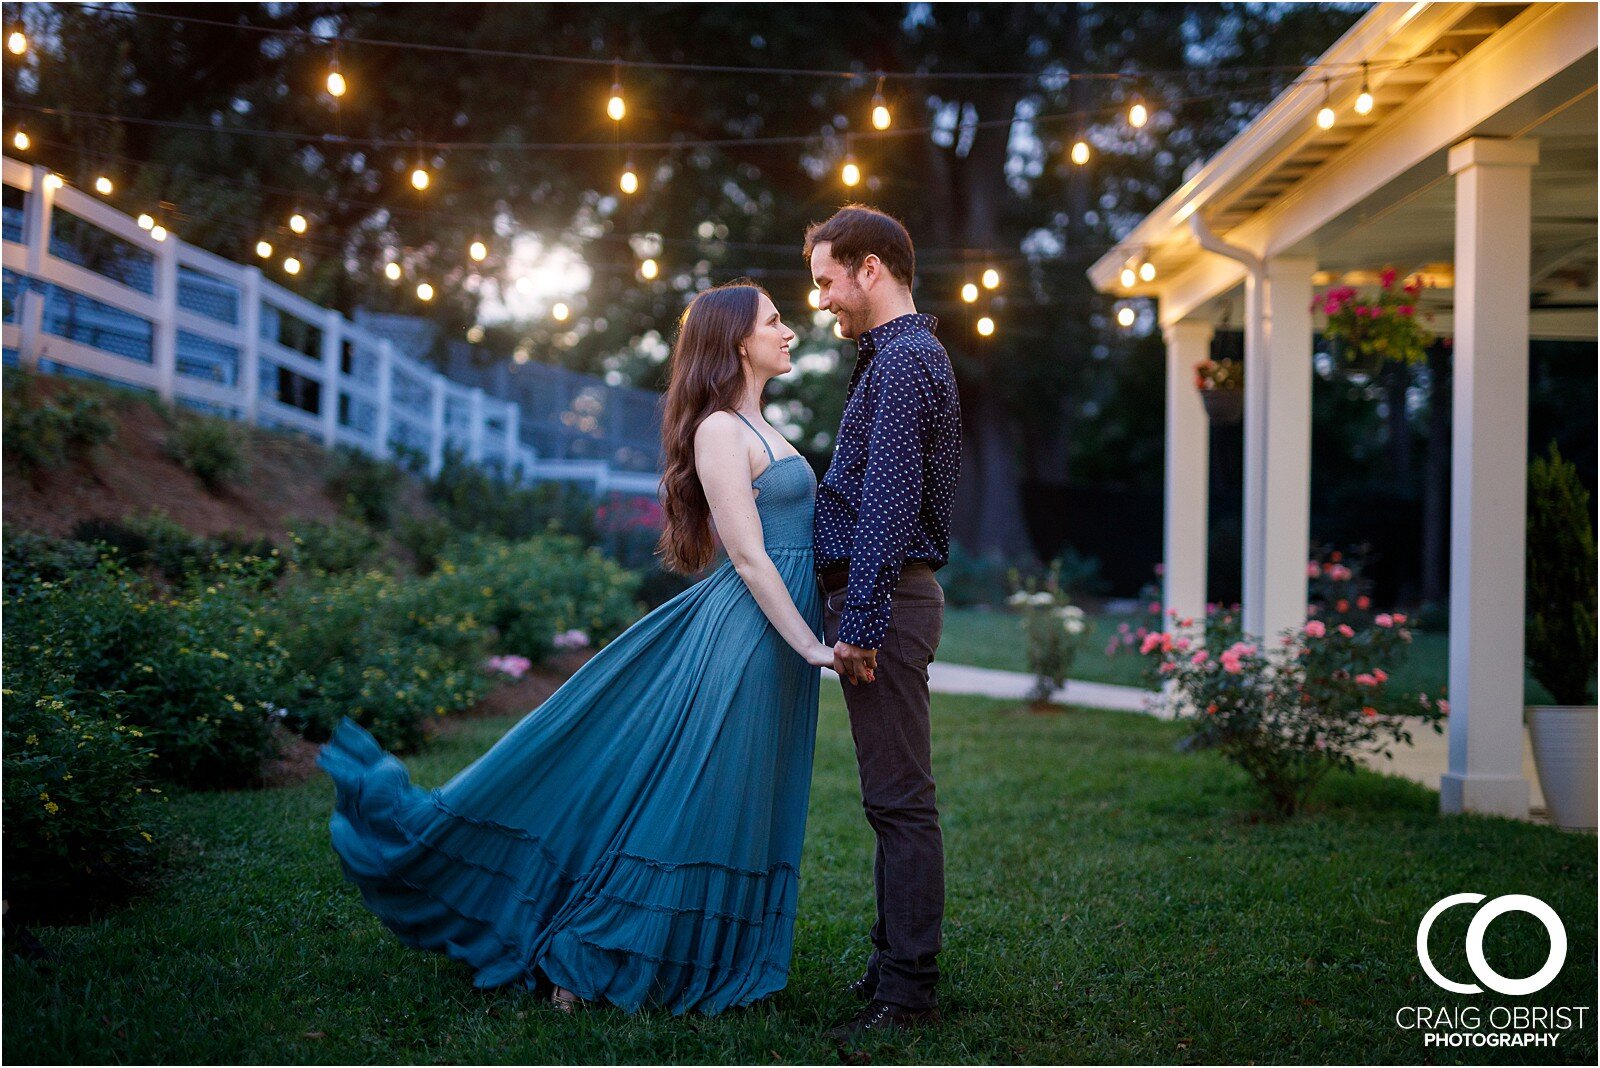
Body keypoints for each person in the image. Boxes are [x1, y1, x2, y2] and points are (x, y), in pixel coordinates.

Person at [317, 282, 838, 1016]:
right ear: (735, 341)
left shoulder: (764, 426)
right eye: (774, 321)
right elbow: (750, 557)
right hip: (752, 632)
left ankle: (700, 949)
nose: (789, 331)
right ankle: (589, 955)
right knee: (701, 793)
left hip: (775, 630)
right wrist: (812, 645)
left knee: (744, 794)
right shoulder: (721, 429)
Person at [804, 205, 962, 1040]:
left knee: (900, 802)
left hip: (887, 606)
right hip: (888, 601)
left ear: (871, 269)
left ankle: (908, 993)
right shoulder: (897, 359)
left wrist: (860, 624)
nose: (821, 297)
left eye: (828, 278)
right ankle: (890, 960)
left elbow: (889, 506)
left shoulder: (903, 363)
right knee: (890, 800)